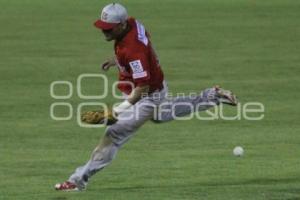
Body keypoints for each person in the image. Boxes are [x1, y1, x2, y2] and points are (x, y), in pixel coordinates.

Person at [55, 3, 238, 191]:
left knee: (114, 133)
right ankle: (213, 96)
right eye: (103, 27)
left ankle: (77, 181)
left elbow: (143, 86)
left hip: (147, 96)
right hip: (156, 88)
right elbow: (144, 49)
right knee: (161, 115)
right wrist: (118, 60)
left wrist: (117, 110)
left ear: (122, 24)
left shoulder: (133, 50)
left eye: (108, 28)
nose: (104, 31)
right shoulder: (132, 24)